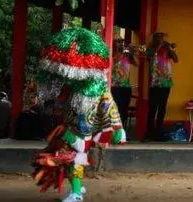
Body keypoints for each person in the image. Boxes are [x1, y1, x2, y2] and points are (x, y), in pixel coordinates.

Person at [31, 28, 126, 202]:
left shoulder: (99, 86)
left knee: (73, 158)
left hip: (84, 130)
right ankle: (77, 188)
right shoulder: (71, 85)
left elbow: (109, 106)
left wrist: (117, 128)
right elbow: (59, 104)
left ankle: (75, 193)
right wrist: (54, 102)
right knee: (66, 158)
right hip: (68, 126)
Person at [145, 32, 178, 141]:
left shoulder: (167, 49)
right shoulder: (150, 49)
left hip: (166, 83)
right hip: (155, 82)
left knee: (162, 108)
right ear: (155, 39)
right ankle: (149, 134)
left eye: (163, 39)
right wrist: (158, 47)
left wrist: (171, 49)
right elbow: (148, 57)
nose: (162, 40)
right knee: (152, 108)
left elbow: (176, 60)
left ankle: (159, 133)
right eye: (160, 38)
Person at [110, 38, 136, 130]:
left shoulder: (127, 56)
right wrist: (118, 55)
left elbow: (135, 63)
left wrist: (131, 52)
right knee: (115, 109)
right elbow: (114, 67)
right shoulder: (112, 56)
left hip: (125, 87)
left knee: (123, 109)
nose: (121, 44)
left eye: (122, 43)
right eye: (119, 43)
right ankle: (114, 130)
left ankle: (122, 130)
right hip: (115, 87)